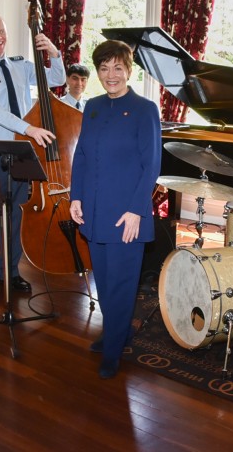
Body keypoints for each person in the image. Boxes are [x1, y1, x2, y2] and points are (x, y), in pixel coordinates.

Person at [69, 40, 162, 379]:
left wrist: (137, 210)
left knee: (122, 283)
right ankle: (115, 333)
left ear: (129, 70)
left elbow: (151, 164)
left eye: (117, 68)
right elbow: (81, 155)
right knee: (105, 282)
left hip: (126, 214)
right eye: (104, 68)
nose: (111, 75)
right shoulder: (91, 106)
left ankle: (113, 351)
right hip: (93, 210)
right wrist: (75, 197)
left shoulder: (145, 109)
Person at [0, 13, 65, 300]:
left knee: (18, 217)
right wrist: (30, 128)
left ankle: (11, 271)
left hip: (21, 152)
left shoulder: (20, 65)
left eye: (2, 31)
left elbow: (56, 79)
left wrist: (54, 53)